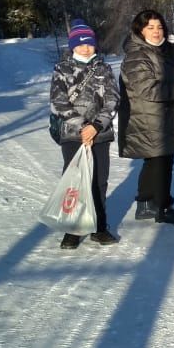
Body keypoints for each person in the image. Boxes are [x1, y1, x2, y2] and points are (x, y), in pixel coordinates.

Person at [118, 9, 174, 224]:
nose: (156, 32)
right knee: (160, 162)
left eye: (159, 27)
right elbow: (145, 89)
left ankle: (145, 204)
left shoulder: (165, 51)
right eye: (150, 27)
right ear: (140, 30)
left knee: (156, 161)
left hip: (163, 116)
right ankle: (162, 208)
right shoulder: (137, 55)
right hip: (148, 118)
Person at [50, 19, 120, 249]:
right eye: (80, 44)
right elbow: (58, 102)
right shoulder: (62, 69)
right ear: (72, 46)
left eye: (89, 44)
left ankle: (99, 227)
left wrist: (96, 126)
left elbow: (112, 99)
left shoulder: (104, 68)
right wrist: (82, 126)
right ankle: (72, 230)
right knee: (75, 181)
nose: (85, 48)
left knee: (99, 181)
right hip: (73, 135)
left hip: (100, 134)